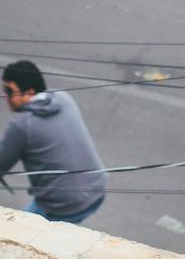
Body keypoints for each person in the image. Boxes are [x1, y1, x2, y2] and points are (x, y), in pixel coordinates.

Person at [0, 60, 107, 224]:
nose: (6, 97)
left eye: (9, 91)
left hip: (65, 206)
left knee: (17, 230)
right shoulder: (63, 97)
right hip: (97, 189)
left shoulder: (23, 124)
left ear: (29, 92)